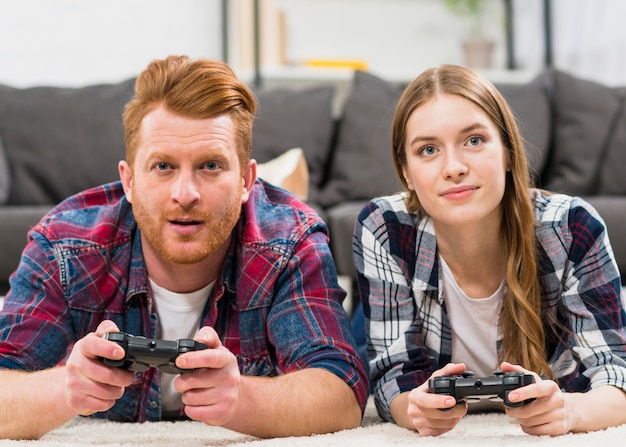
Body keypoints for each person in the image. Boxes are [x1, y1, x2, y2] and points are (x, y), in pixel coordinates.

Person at [0, 55, 368, 440]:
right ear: (128, 181)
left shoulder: (290, 240)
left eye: (210, 165)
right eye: (163, 167)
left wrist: (243, 399)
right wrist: (65, 388)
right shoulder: (66, 244)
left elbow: (342, 395)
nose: (185, 194)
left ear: (245, 179)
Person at [353, 64, 626, 437]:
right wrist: (412, 408)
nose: (454, 168)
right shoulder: (383, 226)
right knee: (352, 362)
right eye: (428, 149)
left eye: (474, 140)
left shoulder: (572, 226)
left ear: (509, 152)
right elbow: (392, 380)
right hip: (401, 304)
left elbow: (616, 377)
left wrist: (571, 411)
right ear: (405, 173)